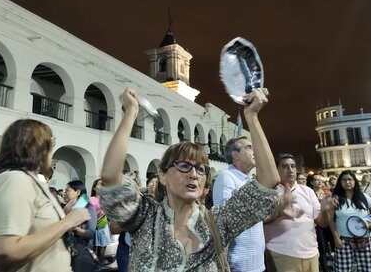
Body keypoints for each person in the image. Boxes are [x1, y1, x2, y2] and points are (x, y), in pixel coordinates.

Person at [100, 87, 281, 271]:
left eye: (200, 169)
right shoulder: (146, 217)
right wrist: (131, 113)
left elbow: (267, 184)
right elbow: (110, 178)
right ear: (162, 175)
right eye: (184, 166)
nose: (194, 174)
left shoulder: (217, 222)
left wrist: (252, 117)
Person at [0, 119, 90, 272]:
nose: (53, 149)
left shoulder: (26, 180)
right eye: (51, 143)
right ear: (38, 147)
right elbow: (6, 252)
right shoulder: (16, 180)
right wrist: (66, 223)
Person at [263, 153, 335, 272]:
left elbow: (321, 222)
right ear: (275, 170)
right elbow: (260, 220)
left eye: (293, 166)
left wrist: (327, 210)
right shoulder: (268, 192)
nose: (290, 170)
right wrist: (281, 208)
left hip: (311, 253)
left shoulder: (308, 191)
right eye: (285, 166)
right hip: (281, 254)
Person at [213, 136, 266, 272]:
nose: (254, 152)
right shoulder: (226, 177)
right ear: (235, 155)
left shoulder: (248, 180)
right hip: (240, 264)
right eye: (249, 148)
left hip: (257, 262)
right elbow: (227, 220)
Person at [329, 170, 371, 272]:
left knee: (367, 269)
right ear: (340, 182)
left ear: (355, 181)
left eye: (350, 179)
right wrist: (336, 237)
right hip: (343, 240)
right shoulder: (335, 199)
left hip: (364, 239)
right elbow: (330, 219)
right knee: (342, 269)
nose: (347, 182)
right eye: (344, 180)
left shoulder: (364, 197)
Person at [90, 178, 112, 263]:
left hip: (103, 226)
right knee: (93, 249)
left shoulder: (107, 200)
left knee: (102, 247)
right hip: (93, 226)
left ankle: (100, 264)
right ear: (94, 188)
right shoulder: (89, 199)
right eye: (100, 184)